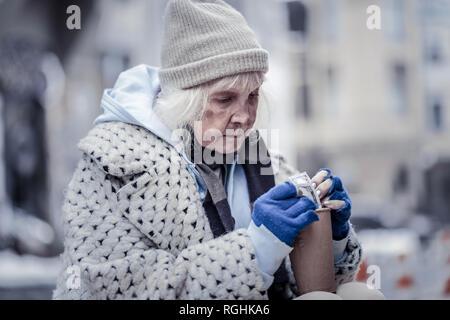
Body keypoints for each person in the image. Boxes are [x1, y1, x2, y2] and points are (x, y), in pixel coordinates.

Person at [53, 0, 383, 300]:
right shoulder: (110, 166)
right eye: (225, 99)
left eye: (253, 96)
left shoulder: (259, 160)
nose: (244, 117)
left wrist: (333, 240)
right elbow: (113, 291)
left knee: (361, 296)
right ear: (185, 99)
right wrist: (256, 249)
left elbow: (318, 284)